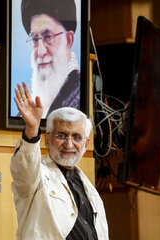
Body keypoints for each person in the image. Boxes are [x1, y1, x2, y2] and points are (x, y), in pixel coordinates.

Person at [10, 83, 108, 239]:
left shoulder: (88, 187)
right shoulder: (36, 177)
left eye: (76, 137)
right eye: (61, 135)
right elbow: (24, 170)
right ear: (47, 140)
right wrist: (32, 128)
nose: (69, 144)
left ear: (86, 144)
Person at [21, 0, 80, 118]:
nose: (41, 52)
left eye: (48, 37)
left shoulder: (78, 97)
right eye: (35, 40)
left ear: (68, 40)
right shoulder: (28, 110)